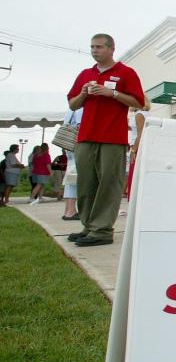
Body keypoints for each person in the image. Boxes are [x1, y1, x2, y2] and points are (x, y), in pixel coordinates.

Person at [66, 33, 144, 247]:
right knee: (86, 183)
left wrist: (113, 94)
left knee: (109, 183)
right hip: (86, 136)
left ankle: (102, 230)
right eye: (92, 47)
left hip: (112, 137)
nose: (94, 50)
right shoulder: (85, 74)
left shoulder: (125, 73)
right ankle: (89, 226)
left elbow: (138, 100)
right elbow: (73, 105)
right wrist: (83, 94)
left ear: (111, 49)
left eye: (99, 46)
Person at [125, 98, 151, 198]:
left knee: (134, 177)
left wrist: (134, 149)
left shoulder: (139, 114)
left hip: (137, 148)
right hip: (142, 147)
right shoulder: (145, 114)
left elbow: (140, 133)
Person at [61, 107, 83, 221]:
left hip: (68, 145)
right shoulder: (81, 108)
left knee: (70, 176)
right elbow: (80, 127)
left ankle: (68, 209)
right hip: (76, 144)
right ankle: (70, 210)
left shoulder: (71, 109)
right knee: (74, 178)